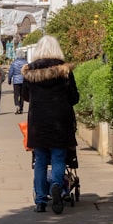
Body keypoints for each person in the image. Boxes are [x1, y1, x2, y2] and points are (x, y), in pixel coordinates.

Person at [21, 35, 79, 214]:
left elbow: (25, 96)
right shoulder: (64, 71)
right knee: (59, 158)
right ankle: (56, 185)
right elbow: (74, 98)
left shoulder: (29, 72)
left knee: (40, 160)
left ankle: (40, 200)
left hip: (38, 122)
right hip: (60, 122)